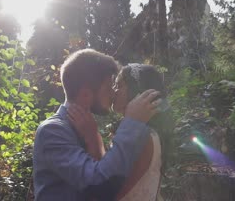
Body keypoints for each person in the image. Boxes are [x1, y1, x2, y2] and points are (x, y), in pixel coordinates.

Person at [33, 50, 162, 201]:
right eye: (108, 88)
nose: (113, 93)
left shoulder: (86, 125)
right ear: (87, 95)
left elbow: (103, 170)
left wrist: (94, 141)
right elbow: (99, 185)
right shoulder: (52, 130)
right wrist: (132, 122)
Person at [68, 64, 173, 201]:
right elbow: (106, 171)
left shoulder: (143, 137)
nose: (114, 90)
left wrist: (91, 138)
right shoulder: (139, 133)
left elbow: (106, 191)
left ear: (137, 91)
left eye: (119, 85)